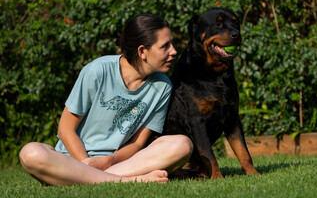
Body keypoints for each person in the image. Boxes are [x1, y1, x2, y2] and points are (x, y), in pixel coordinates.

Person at [19, 14, 193, 186]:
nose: (174, 51)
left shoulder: (163, 86)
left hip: (118, 164)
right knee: (30, 153)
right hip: (73, 160)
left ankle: (82, 179)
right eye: (165, 46)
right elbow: (65, 129)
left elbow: (138, 142)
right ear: (142, 51)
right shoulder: (97, 71)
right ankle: (127, 180)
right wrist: (85, 162)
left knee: (182, 144)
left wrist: (109, 160)